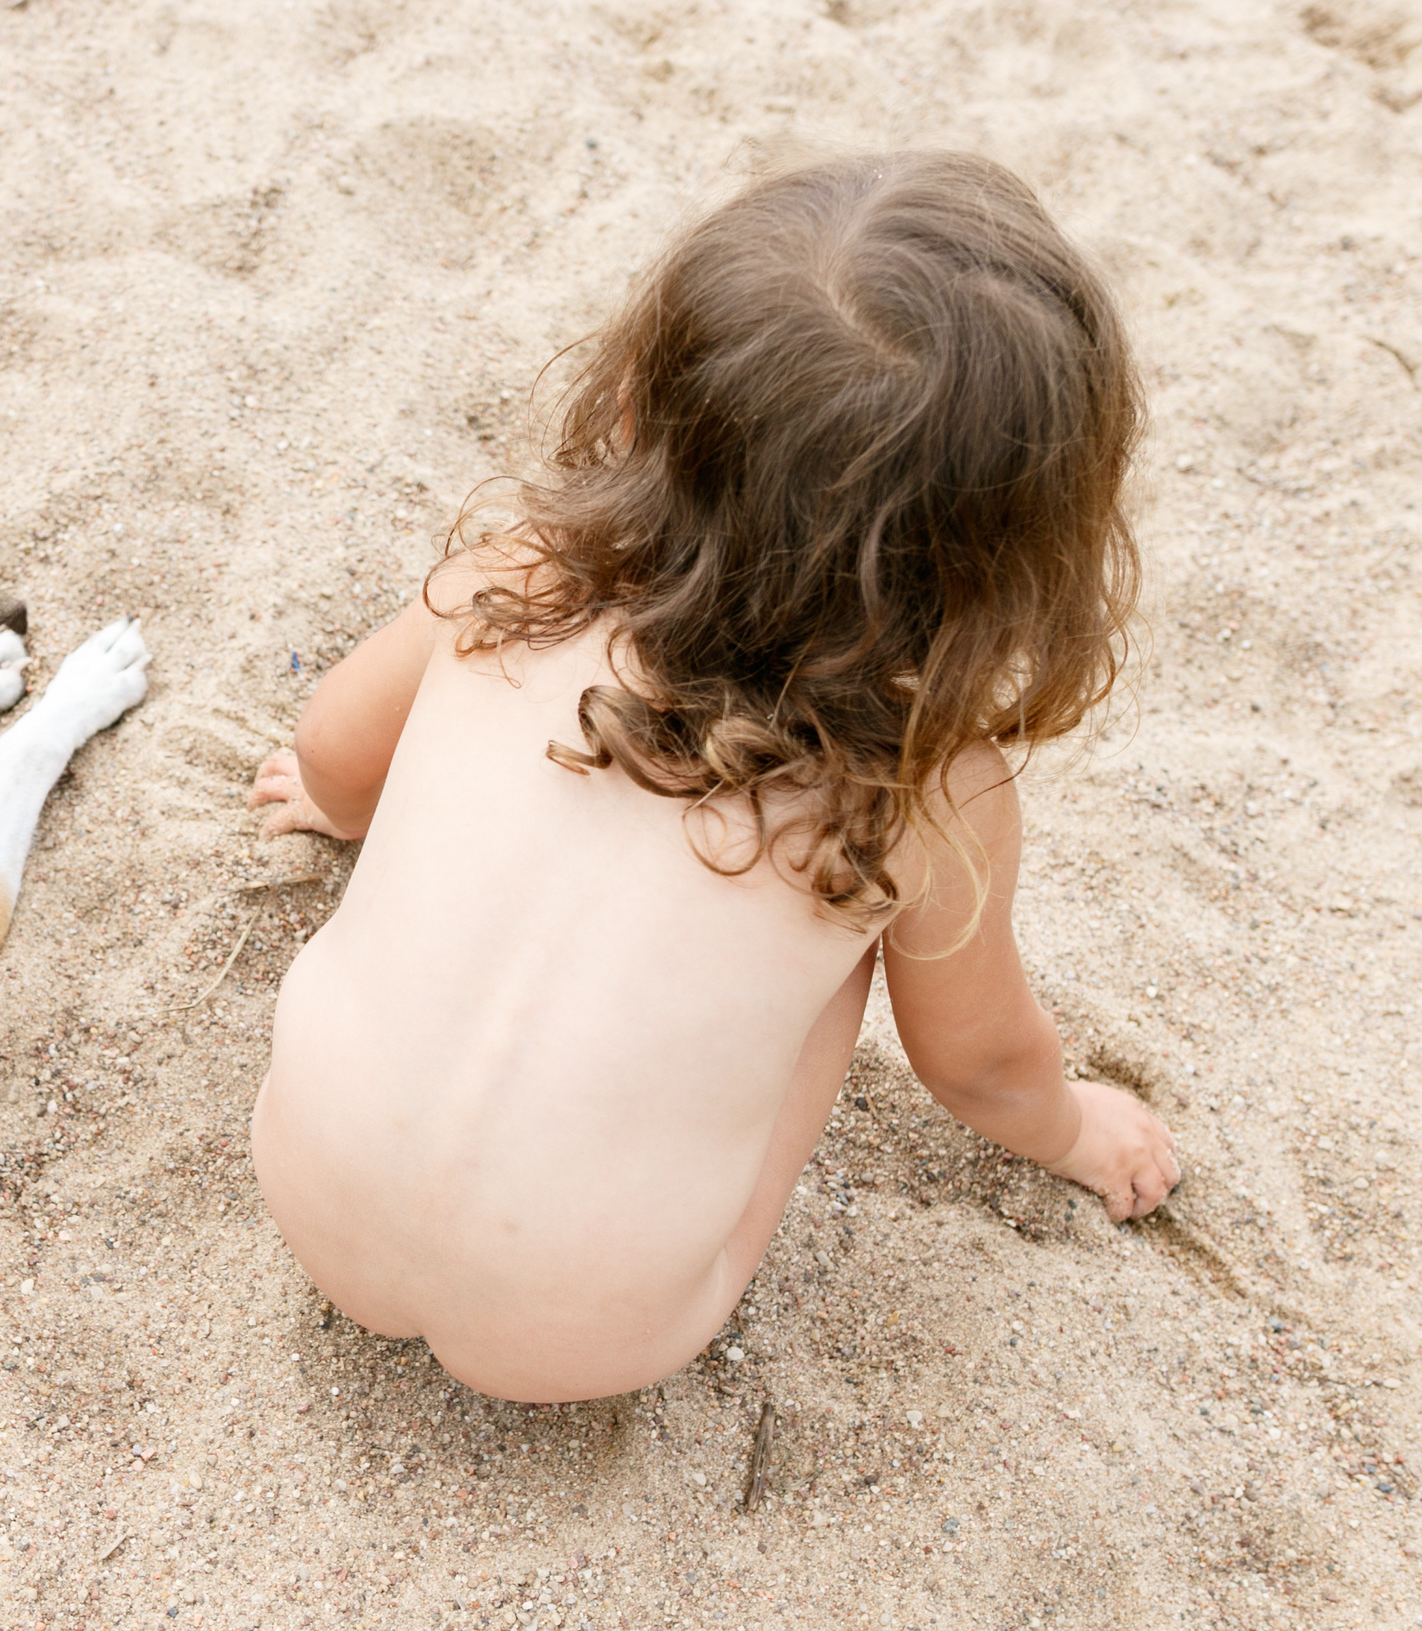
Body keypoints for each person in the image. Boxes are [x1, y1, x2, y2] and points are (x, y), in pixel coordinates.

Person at [246, 152, 1180, 1404]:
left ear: (646, 402)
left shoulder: (516, 579)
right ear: (1004, 565)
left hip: (305, 1182)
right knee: (855, 926)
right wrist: (1068, 1127)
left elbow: (331, 751)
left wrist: (342, 809)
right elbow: (977, 1066)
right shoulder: (922, 791)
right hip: (590, 1338)